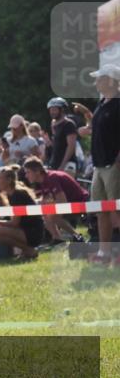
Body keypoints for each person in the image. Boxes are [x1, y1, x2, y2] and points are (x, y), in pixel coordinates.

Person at [86, 64, 120, 251]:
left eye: (100, 78)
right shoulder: (101, 103)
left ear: (111, 81)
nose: (96, 82)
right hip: (99, 165)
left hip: (113, 164)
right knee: (102, 210)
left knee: (117, 209)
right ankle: (103, 251)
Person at [22, 156, 89, 243]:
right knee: (46, 211)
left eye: (28, 172)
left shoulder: (51, 178)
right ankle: (58, 238)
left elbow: (62, 201)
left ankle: (74, 237)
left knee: (50, 214)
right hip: (73, 202)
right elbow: (46, 199)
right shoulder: (44, 179)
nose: (26, 176)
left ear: (38, 171)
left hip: (82, 202)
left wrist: (45, 203)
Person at [0, 167, 42, 259]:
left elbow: (14, 223)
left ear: (9, 180)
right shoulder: (11, 194)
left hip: (32, 232)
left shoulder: (17, 195)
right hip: (24, 229)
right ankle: (24, 251)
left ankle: (28, 250)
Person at [47, 97, 80, 172]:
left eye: (54, 110)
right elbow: (57, 144)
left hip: (67, 164)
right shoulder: (53, 124)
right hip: (55, 163)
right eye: (51, 110)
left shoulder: (68, 124)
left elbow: (71, 146)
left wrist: (63, 165)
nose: (52, 112)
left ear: (61, 110)